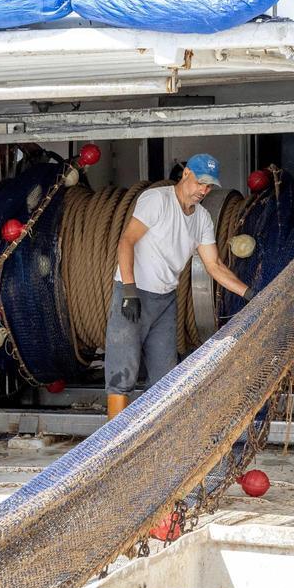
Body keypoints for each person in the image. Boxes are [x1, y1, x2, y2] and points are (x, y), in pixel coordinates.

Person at [105, 153, 253, 419]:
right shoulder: (156, 201)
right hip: (133, 294)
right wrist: (128, 290)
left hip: (165, 300)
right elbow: (126, 241)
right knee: (121, 371)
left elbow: (215, 265)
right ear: (186, 175)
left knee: (164, 376)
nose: (203, 191)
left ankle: (152, 438)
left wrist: (249, 293)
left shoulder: (202, 219)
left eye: (209, 186)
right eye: (199, 183)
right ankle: (110, 445)